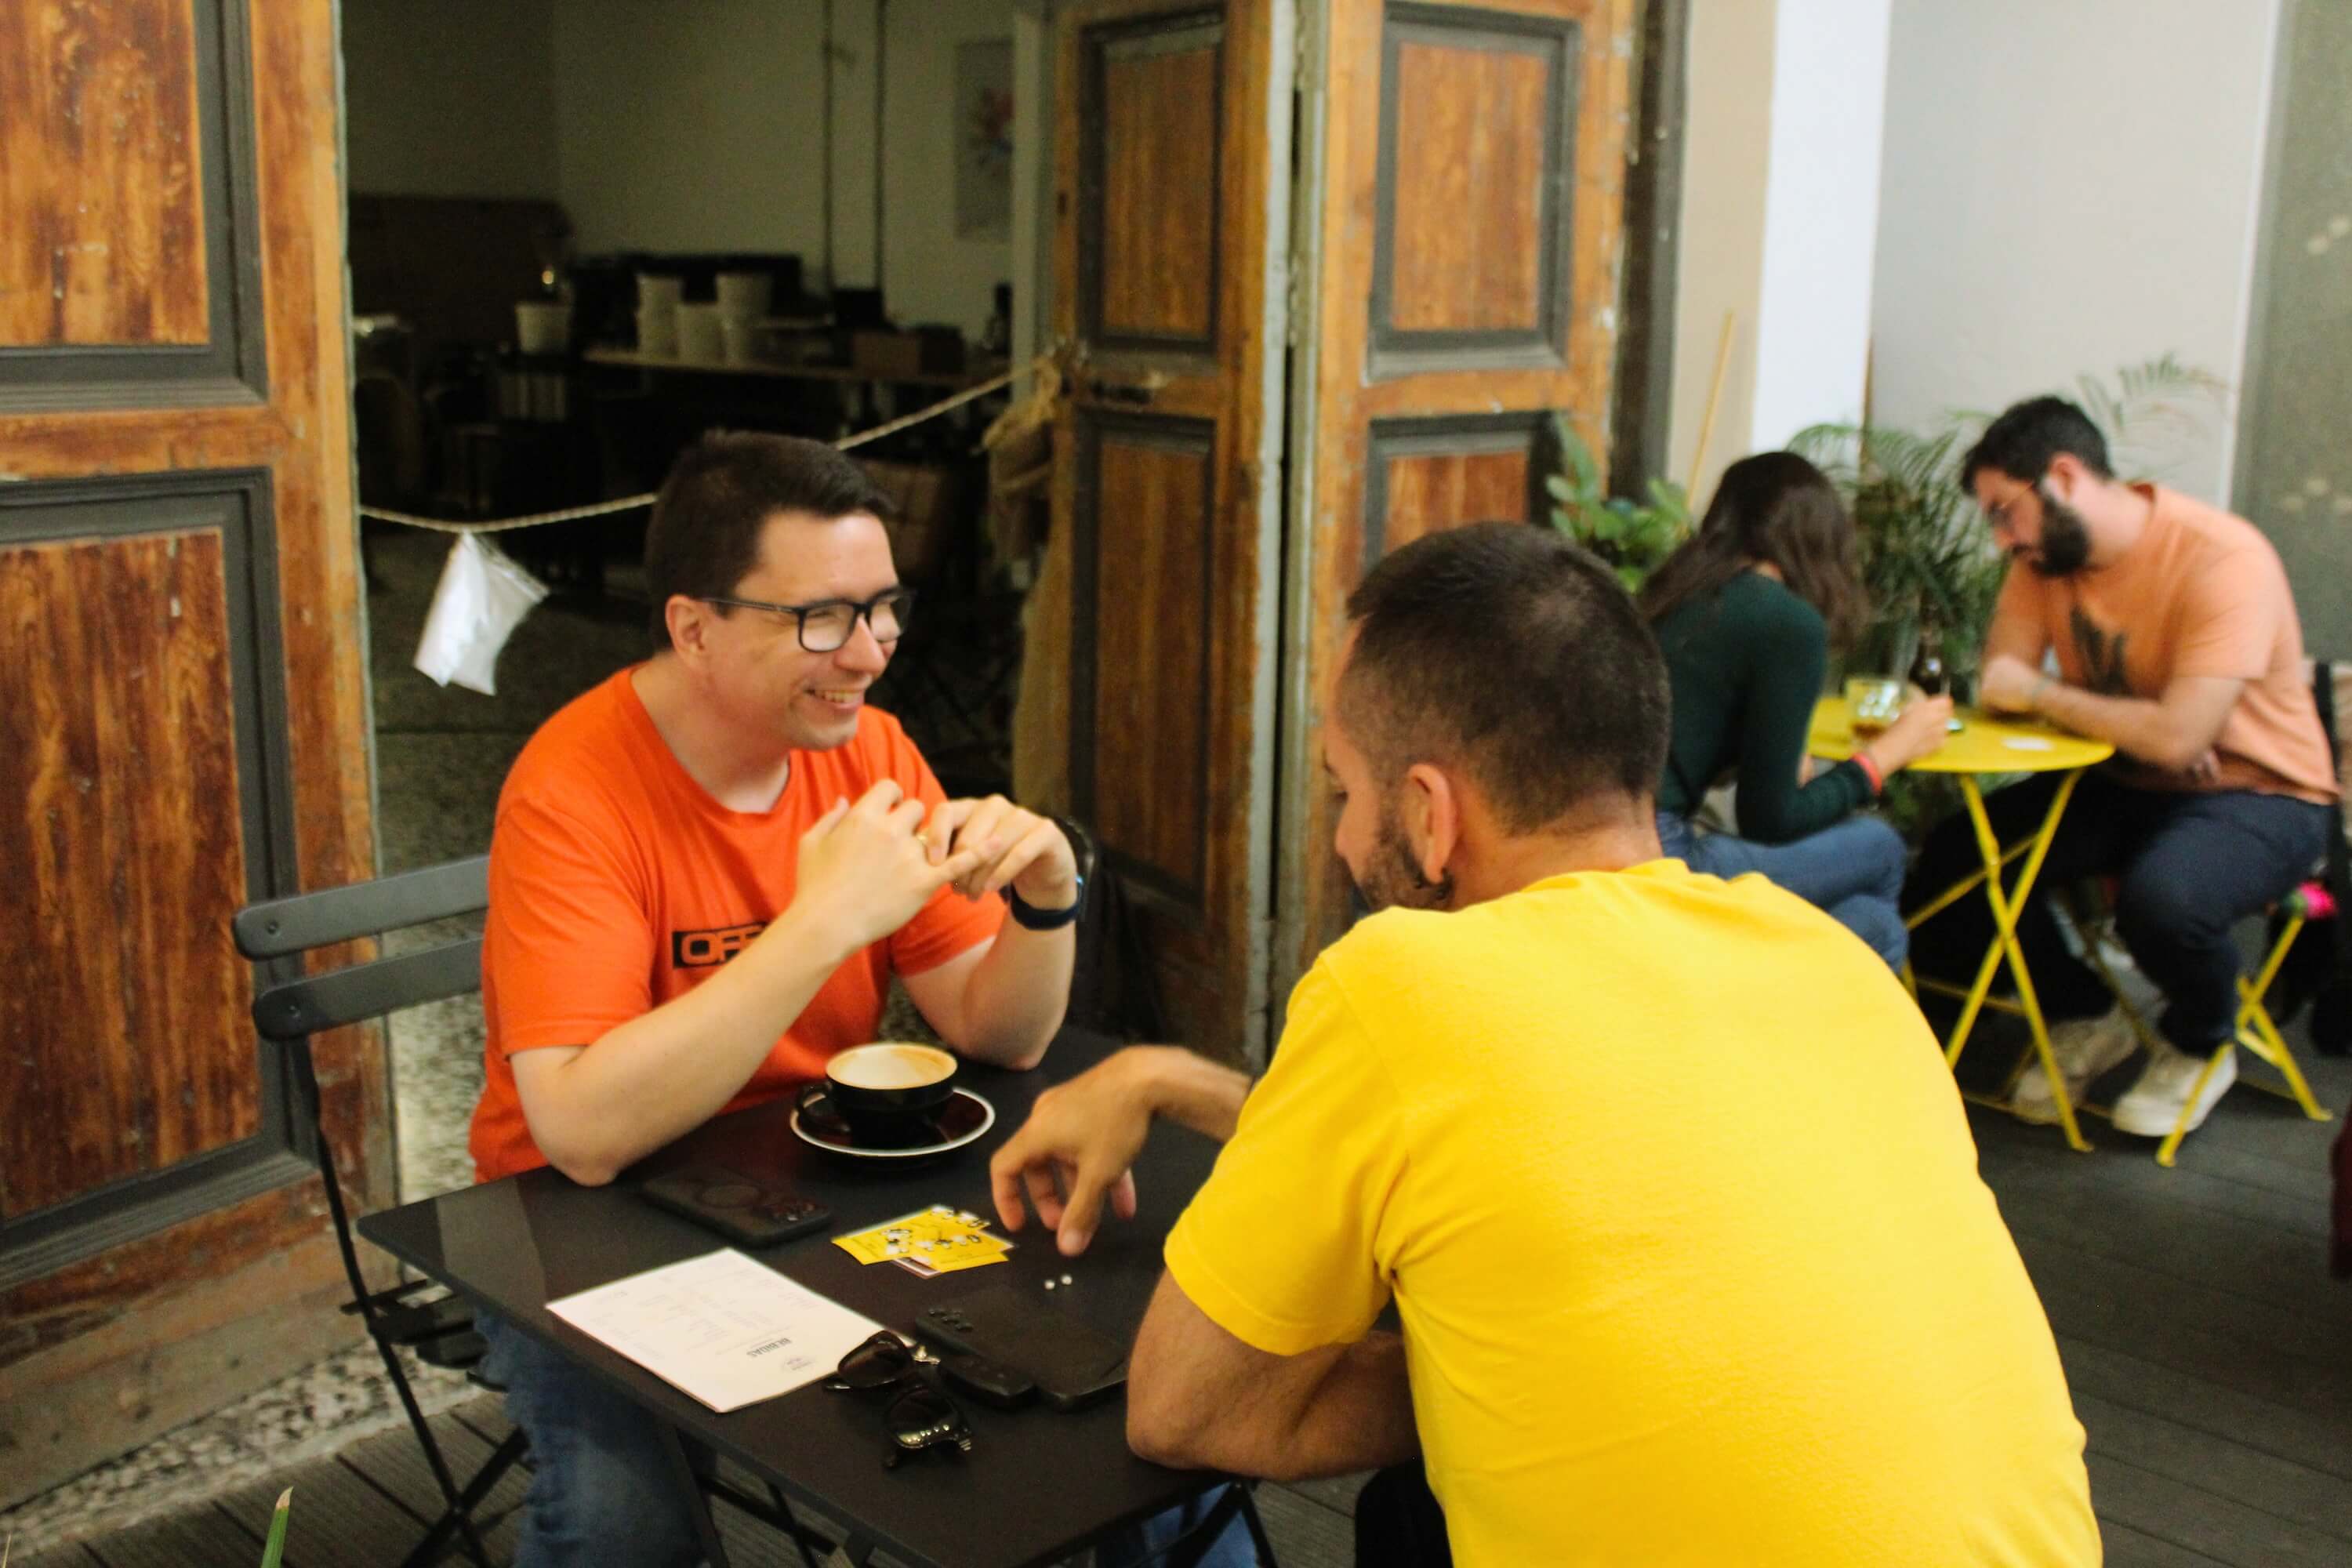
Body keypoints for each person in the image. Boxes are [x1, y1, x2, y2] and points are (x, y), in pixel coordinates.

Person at [990, 523, 2100, 1566]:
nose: (1338, 832)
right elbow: (1528, 1162)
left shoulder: (1407, 984)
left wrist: (1492, 1372)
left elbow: (1186, 1406)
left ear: (1430, 813)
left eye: (1344, 789)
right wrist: (1170, 1076)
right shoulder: (1825, 958)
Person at [465, 432, 1100, 1566]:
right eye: (822, 618)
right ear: (693, 625)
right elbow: (582, 1135)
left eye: (883, 609)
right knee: (629, 1526)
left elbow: (998, 1030)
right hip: (570, 1224)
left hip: (806, 1190)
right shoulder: (574, 792)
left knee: (1060, 1424)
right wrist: (818, 927)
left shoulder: (868, 752)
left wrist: (1051, 898)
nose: (868, 655)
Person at [1907, 396, 2337, 1141]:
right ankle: (2084, 1010)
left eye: (2005, 512)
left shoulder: (2221, 558)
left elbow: (2046, 694)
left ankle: (2200, 1037)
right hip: (2124, 781)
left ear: (2065, 477)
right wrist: (2149, 726)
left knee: (2164, 900)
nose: (2003, 539)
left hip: (2264, 790)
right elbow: (2000, 685)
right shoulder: (2043, 560)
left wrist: (2070, 701)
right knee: (1955, 863)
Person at [1642, 451, 1952, 969]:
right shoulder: (1785, 620)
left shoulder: (1675, 590)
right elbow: (1770, 819)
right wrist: (1884, 757)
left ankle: (1770, 997)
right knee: (1880, 845)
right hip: (1666, 853)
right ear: (1820, 540)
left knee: (1873, 925)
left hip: (1615, 836)